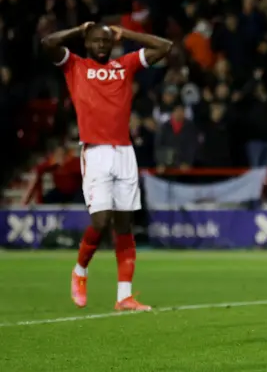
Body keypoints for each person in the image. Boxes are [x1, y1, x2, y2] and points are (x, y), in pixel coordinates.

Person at [41, 22, 172, 311]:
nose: (101, 44)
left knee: (124, 225)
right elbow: (47, 42)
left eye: (106, 41)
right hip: (96, 152)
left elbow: (165, 47)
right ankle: (80, 271)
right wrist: (78, 29)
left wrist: (127, 34)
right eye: (96, 40)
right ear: (87, 43)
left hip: (124, 152)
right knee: (100, 222)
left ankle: (124, 296)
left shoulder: (123, 65)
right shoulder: (75, 65)